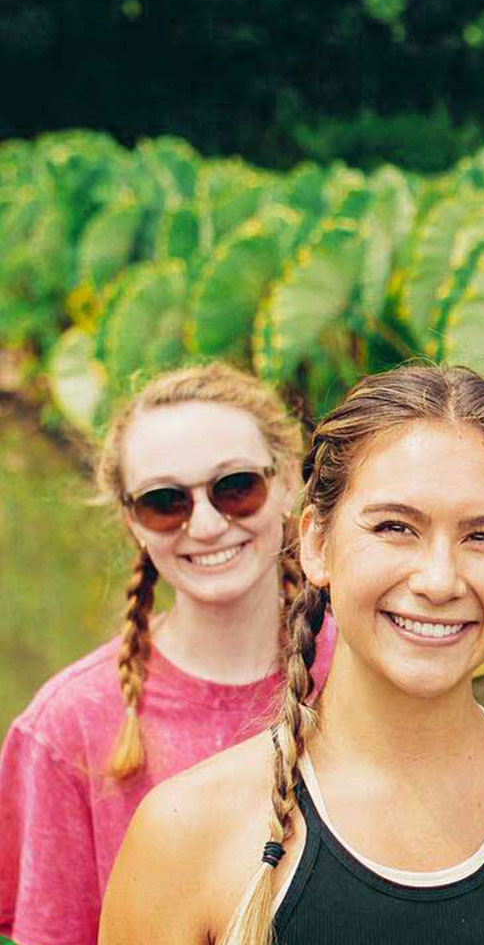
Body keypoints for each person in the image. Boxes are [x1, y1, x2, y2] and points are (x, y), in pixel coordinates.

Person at [99, 365, 484, 945]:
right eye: (394, 527)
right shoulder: (189, 833)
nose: (439, 580)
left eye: (483, 537)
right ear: (316, 544)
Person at [0, 363, 336, 945]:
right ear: (133, 521)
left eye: (235, 488)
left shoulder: (367, 672)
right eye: (165, 501)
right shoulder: (67, 726)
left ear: (285, 483)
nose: (206, 525)